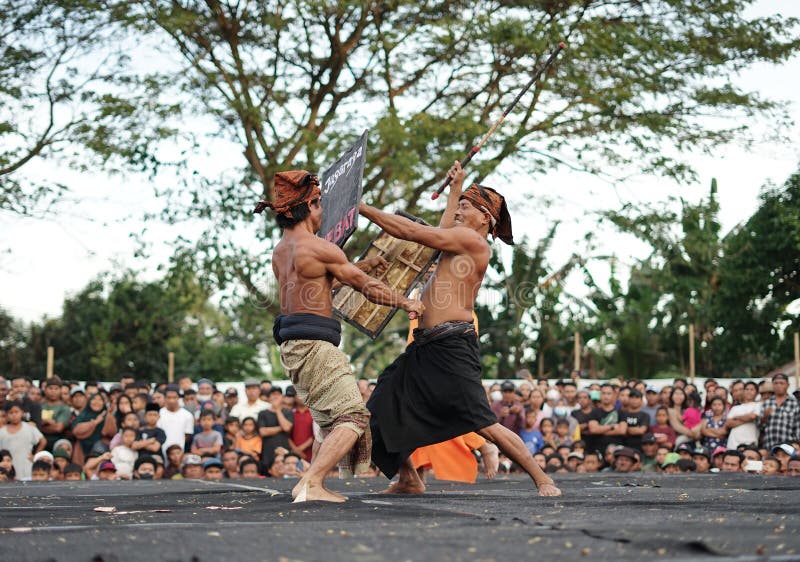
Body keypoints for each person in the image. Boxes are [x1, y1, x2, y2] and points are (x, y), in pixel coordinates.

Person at [360, 161, 559, 496]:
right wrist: (456, 189)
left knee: (484, 423)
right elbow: (440, 230)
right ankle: (409, 479)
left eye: (466, 206)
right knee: (380, 407)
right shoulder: (456, 240)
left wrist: (360, 207)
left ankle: (543, 480)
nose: (458, 211)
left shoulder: (473, 242)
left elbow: (411, 231)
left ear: (485, 218)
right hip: (424, 347)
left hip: (452, 346)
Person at [264, 169, 423, 503]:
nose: (324, 213)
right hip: (315, 345)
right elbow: (366, 289)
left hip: (293, 343)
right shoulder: (321, 248)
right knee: (353, 415)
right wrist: (405, 300)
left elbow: (317, 287)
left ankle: (315, 481)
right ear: (310, 204)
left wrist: (361, 264)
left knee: (334, 419)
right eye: (320, 206)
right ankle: (312, 483)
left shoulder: (280, 251)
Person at [0, 402, 46, 480]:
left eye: (16, 412)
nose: (14, 415)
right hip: (8, 466)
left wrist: (35, 456)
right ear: (7, 415)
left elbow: (43, 441)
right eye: (11, 413)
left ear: (22, 413)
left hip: (26, 464)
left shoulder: (29, 428)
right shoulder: (2, 431)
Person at [257, 388, 294, 472]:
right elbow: (263, 432)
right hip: (267, 452)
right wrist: (281, 428)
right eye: (273, 394)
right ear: (269, 398)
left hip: (284, 450)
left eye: (278, 394)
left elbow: (287, 428)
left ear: (282, 397)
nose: (275, 397)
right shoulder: (262, 413)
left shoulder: (288, 412)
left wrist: (277, 409)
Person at [761, 374, 800, 451]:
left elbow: (798, 427)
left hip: (789, 446)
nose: (778, 385)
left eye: (782, 383)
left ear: (788, 385)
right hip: (769, 445)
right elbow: (760, 427)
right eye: (776, 383)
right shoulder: (766, 403)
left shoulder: (795, 403)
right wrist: (765, 416)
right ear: (773, 385)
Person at [157, 385, 194, 454]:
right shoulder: (158, 414)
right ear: (164, 398)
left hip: (179, 452)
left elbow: (187, 436)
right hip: (161, 452)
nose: (171, 400)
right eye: (169, 397)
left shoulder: (187, 415)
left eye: (174, 397)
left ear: (178, 398)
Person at [725, 381, 761, 450]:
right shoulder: (735, 408)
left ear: (757, 393)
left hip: (749, 444)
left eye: (752, 389)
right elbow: (728, 423)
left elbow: (753, 416)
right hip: (732, 444)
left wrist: (737, 417)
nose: (749, 391)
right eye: (747, 389)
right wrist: (748, 419)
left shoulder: (759, 405)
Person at [40, 377, 71, 452]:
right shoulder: (39, 405)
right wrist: (47, 421)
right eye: (50, 388)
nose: (53, 391)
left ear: (60, 390)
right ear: (45, 389)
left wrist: (40, 426)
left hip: (56, 442)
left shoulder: (64, 408)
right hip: (38, 440)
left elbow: (58, 428)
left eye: (56, 388)